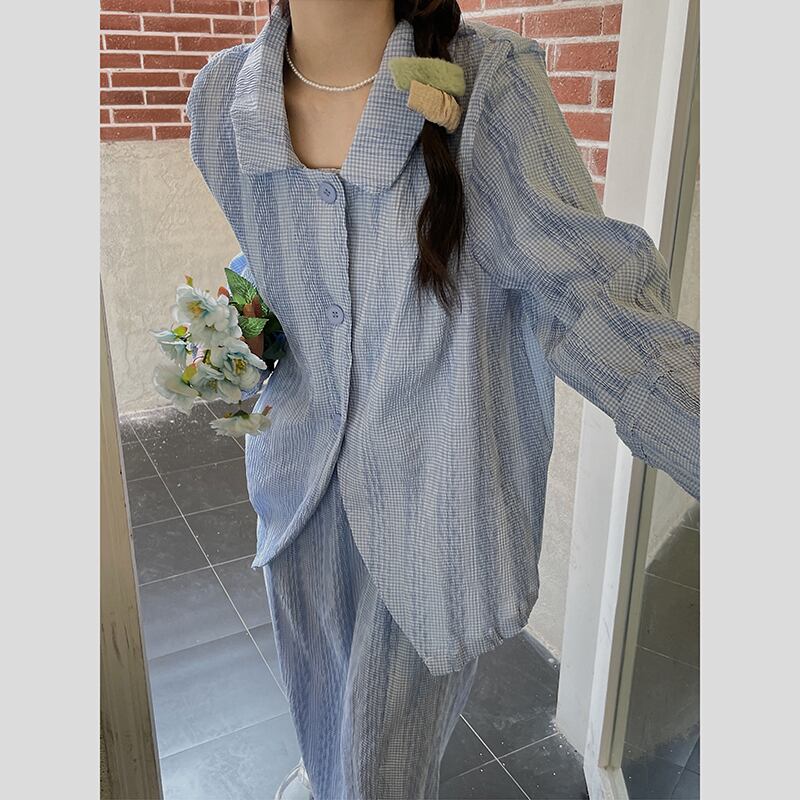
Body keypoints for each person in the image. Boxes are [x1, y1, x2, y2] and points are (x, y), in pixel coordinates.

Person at [185, 1, 700, 797]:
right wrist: (232, 332)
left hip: (431, 513)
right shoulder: (222, 98)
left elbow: (597, 302)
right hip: (294, 494)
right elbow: (274, 252)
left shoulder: (491, 86)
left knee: (380, 774)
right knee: (320, 727)